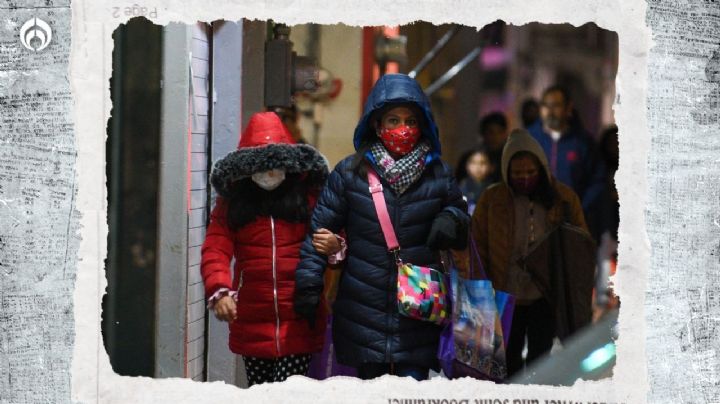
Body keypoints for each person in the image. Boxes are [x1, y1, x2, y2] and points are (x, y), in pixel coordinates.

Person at [293, 74, 470, 381]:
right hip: (362, 313)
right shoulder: (349, 174)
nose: (403, 130)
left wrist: (452, 219)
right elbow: (319, 233)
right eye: (393, 120)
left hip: (419, 314)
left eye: (411, 121)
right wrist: (309, 286)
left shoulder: (438, 174)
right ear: (376, 125)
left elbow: (461, 213)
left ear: (422, 125)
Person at [201, 111, 342, 387]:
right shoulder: (232, 205)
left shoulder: (308, 198)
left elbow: (336, 234)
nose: (268, 173)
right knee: (260, 391)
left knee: (286, 392)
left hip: (300, 316)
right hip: (251, 316)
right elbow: (215, 248)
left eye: (275, 165)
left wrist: (336, 246)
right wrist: (219, 290)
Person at [471, 128, 588, 377]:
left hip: (544, 294)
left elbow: (581, 245)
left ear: (542, 169)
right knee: (505, 362)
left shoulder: (563, 199)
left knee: (540, 361)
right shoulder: (493, 199)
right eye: (517, 173)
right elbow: (477, 244)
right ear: (506, 172)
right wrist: (480, 287)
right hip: (504, 295)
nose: (524, 178)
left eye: (530, 172)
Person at [527, 85, 605, 222]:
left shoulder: (582, 142)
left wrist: (580, 208)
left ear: (568, 108)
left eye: (556, 105)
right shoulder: (529, 139)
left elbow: (597, 180)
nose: (550, 111)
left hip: (572, 221)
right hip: (534, 220)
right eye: (545, 105)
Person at [456, 147, 495, 214]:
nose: (478, 167)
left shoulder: (493, 188)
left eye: (483, 163)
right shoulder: (462, 186)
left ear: (491, 167)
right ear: (466, 166)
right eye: (473, 163)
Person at [478, 112, 509, 183]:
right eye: (491, 132)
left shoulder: (509, 160)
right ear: (483, 134)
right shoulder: (475, 159)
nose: (496, 137)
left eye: (499, 132)